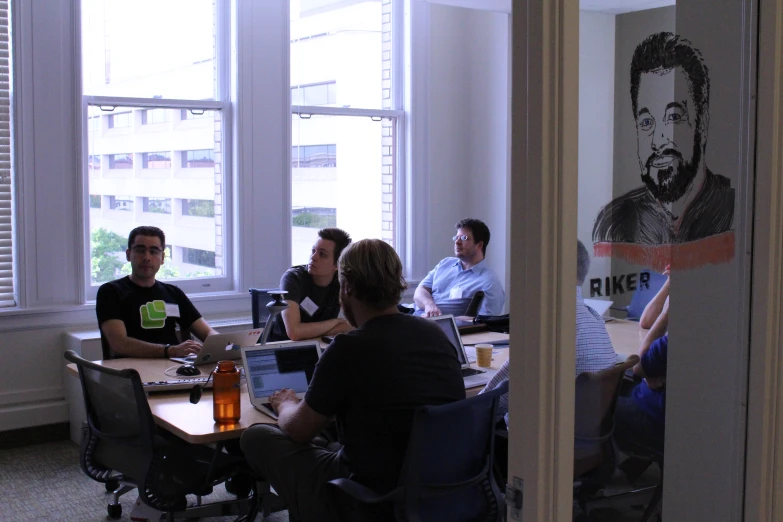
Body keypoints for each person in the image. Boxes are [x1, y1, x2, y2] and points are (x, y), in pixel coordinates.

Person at [240, 239, 465, 522]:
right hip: (436, 481)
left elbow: (299, 430)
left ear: (346, 288)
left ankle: (314, 507)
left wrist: (286, 405)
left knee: (257, 436)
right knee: (328, 437)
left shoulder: (348, 348)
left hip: (369, 492)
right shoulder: (436, 335)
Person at [592, 32, 734, 270]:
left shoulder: (734, 212)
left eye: (673, 117)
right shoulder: (614, 223)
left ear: (702, 122)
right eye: (647, 122)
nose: (658, 141)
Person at [481, 240, 617, 425]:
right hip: (587, 440)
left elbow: (489, 404)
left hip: (533, 444)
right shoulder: (595, 319)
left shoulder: (547, 328)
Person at [96, 226, 217, 359]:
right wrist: (170, 351)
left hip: (174, 370)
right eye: (140, 250)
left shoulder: (173, 293)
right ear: (128, 254)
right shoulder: (110, 292)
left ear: (162, 257)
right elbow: (119, 344)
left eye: (154, 251)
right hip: (129, 373)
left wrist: (225, 345)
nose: (147, 257)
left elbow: (207, 333)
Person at [266, 228, 353, 342]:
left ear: (337, 264)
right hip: (284, 349)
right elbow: (294, 333)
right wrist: (335, 322)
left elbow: (352, 325)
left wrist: (308, 333)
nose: (313, 257)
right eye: (313, 251)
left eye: (322, 254)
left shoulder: (341, 282)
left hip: (317, 346)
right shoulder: (293, 278)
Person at [414, 218, 505, 317]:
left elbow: (484, 323)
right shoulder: (445, 263)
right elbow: (420, 290)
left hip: (439, 328)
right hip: (413, 314)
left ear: (479, 245)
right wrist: (429, 305)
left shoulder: (489, 282)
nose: (457, 242)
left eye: (464, 238)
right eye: (456, 238)